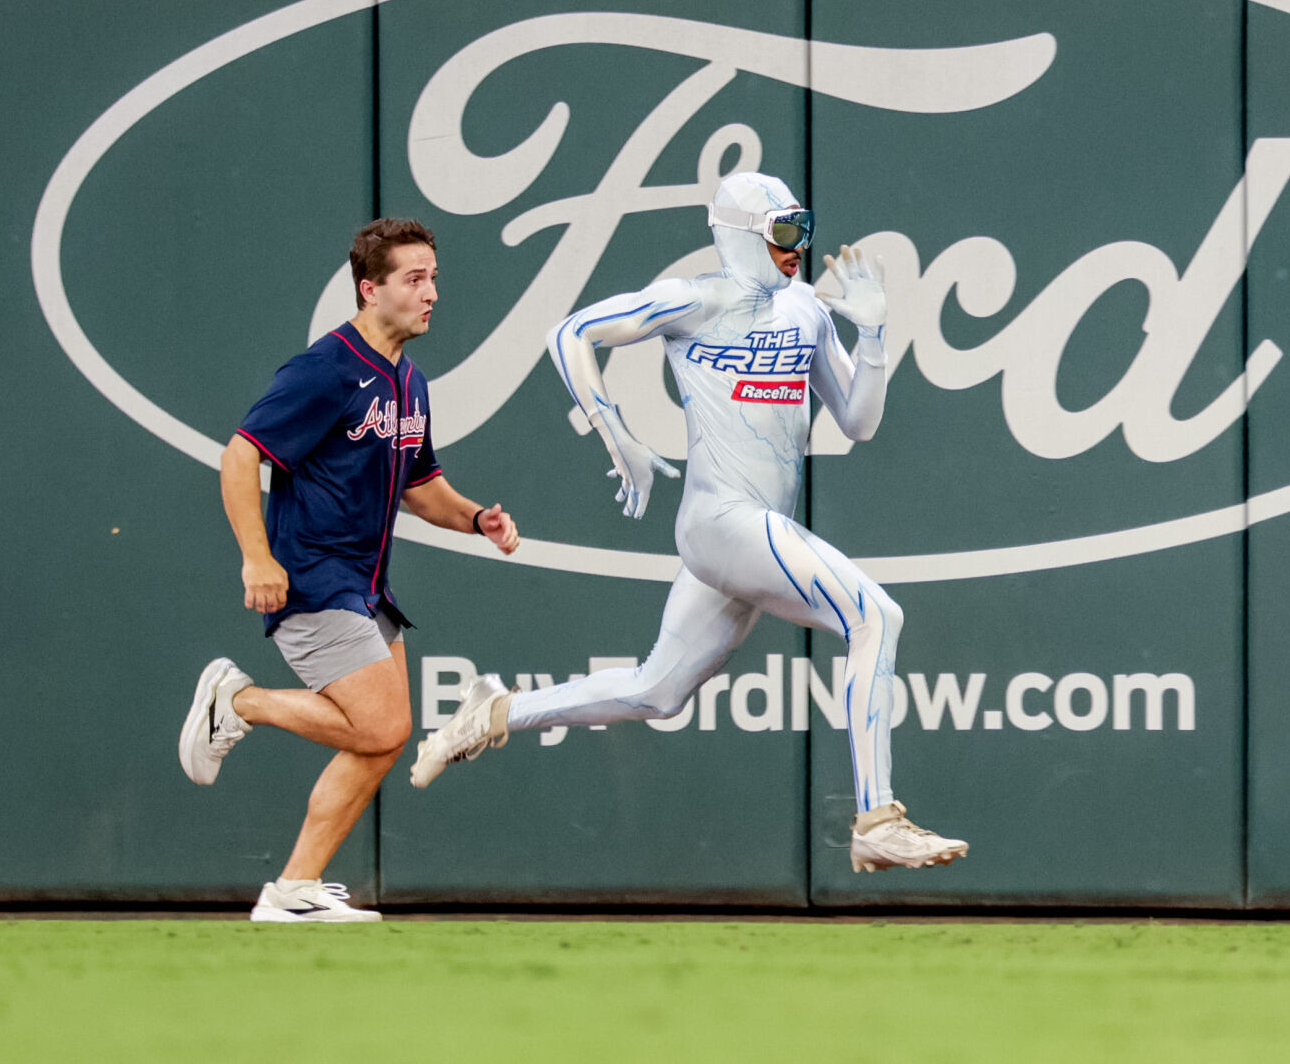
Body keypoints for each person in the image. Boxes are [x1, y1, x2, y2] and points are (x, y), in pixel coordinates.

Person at [411, 173, 966, 873]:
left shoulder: (807, 312)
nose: (796, 249)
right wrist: (619, 437)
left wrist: (876, 332)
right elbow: (570, 333)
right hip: (720, 521)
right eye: (781, 232)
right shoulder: (693, 298)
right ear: (739, 236)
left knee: (656, 689)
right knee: (875, 617)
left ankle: (493, 712)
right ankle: (877, 817)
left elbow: (858, 420)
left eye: (802, 228)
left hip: (752, 530)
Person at [178, 217, 521, 922]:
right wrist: (256, 556)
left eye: (434, 277)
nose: (431, 292)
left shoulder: (409, 381)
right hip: (311, 575)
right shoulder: (325, 370)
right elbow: (242, 455)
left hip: (366, 583)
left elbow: (422, 488)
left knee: (383, 737)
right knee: (379, 725)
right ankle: (237, 702)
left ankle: (295, 887)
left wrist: (475, 517)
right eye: (413, 278)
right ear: (370, 289)